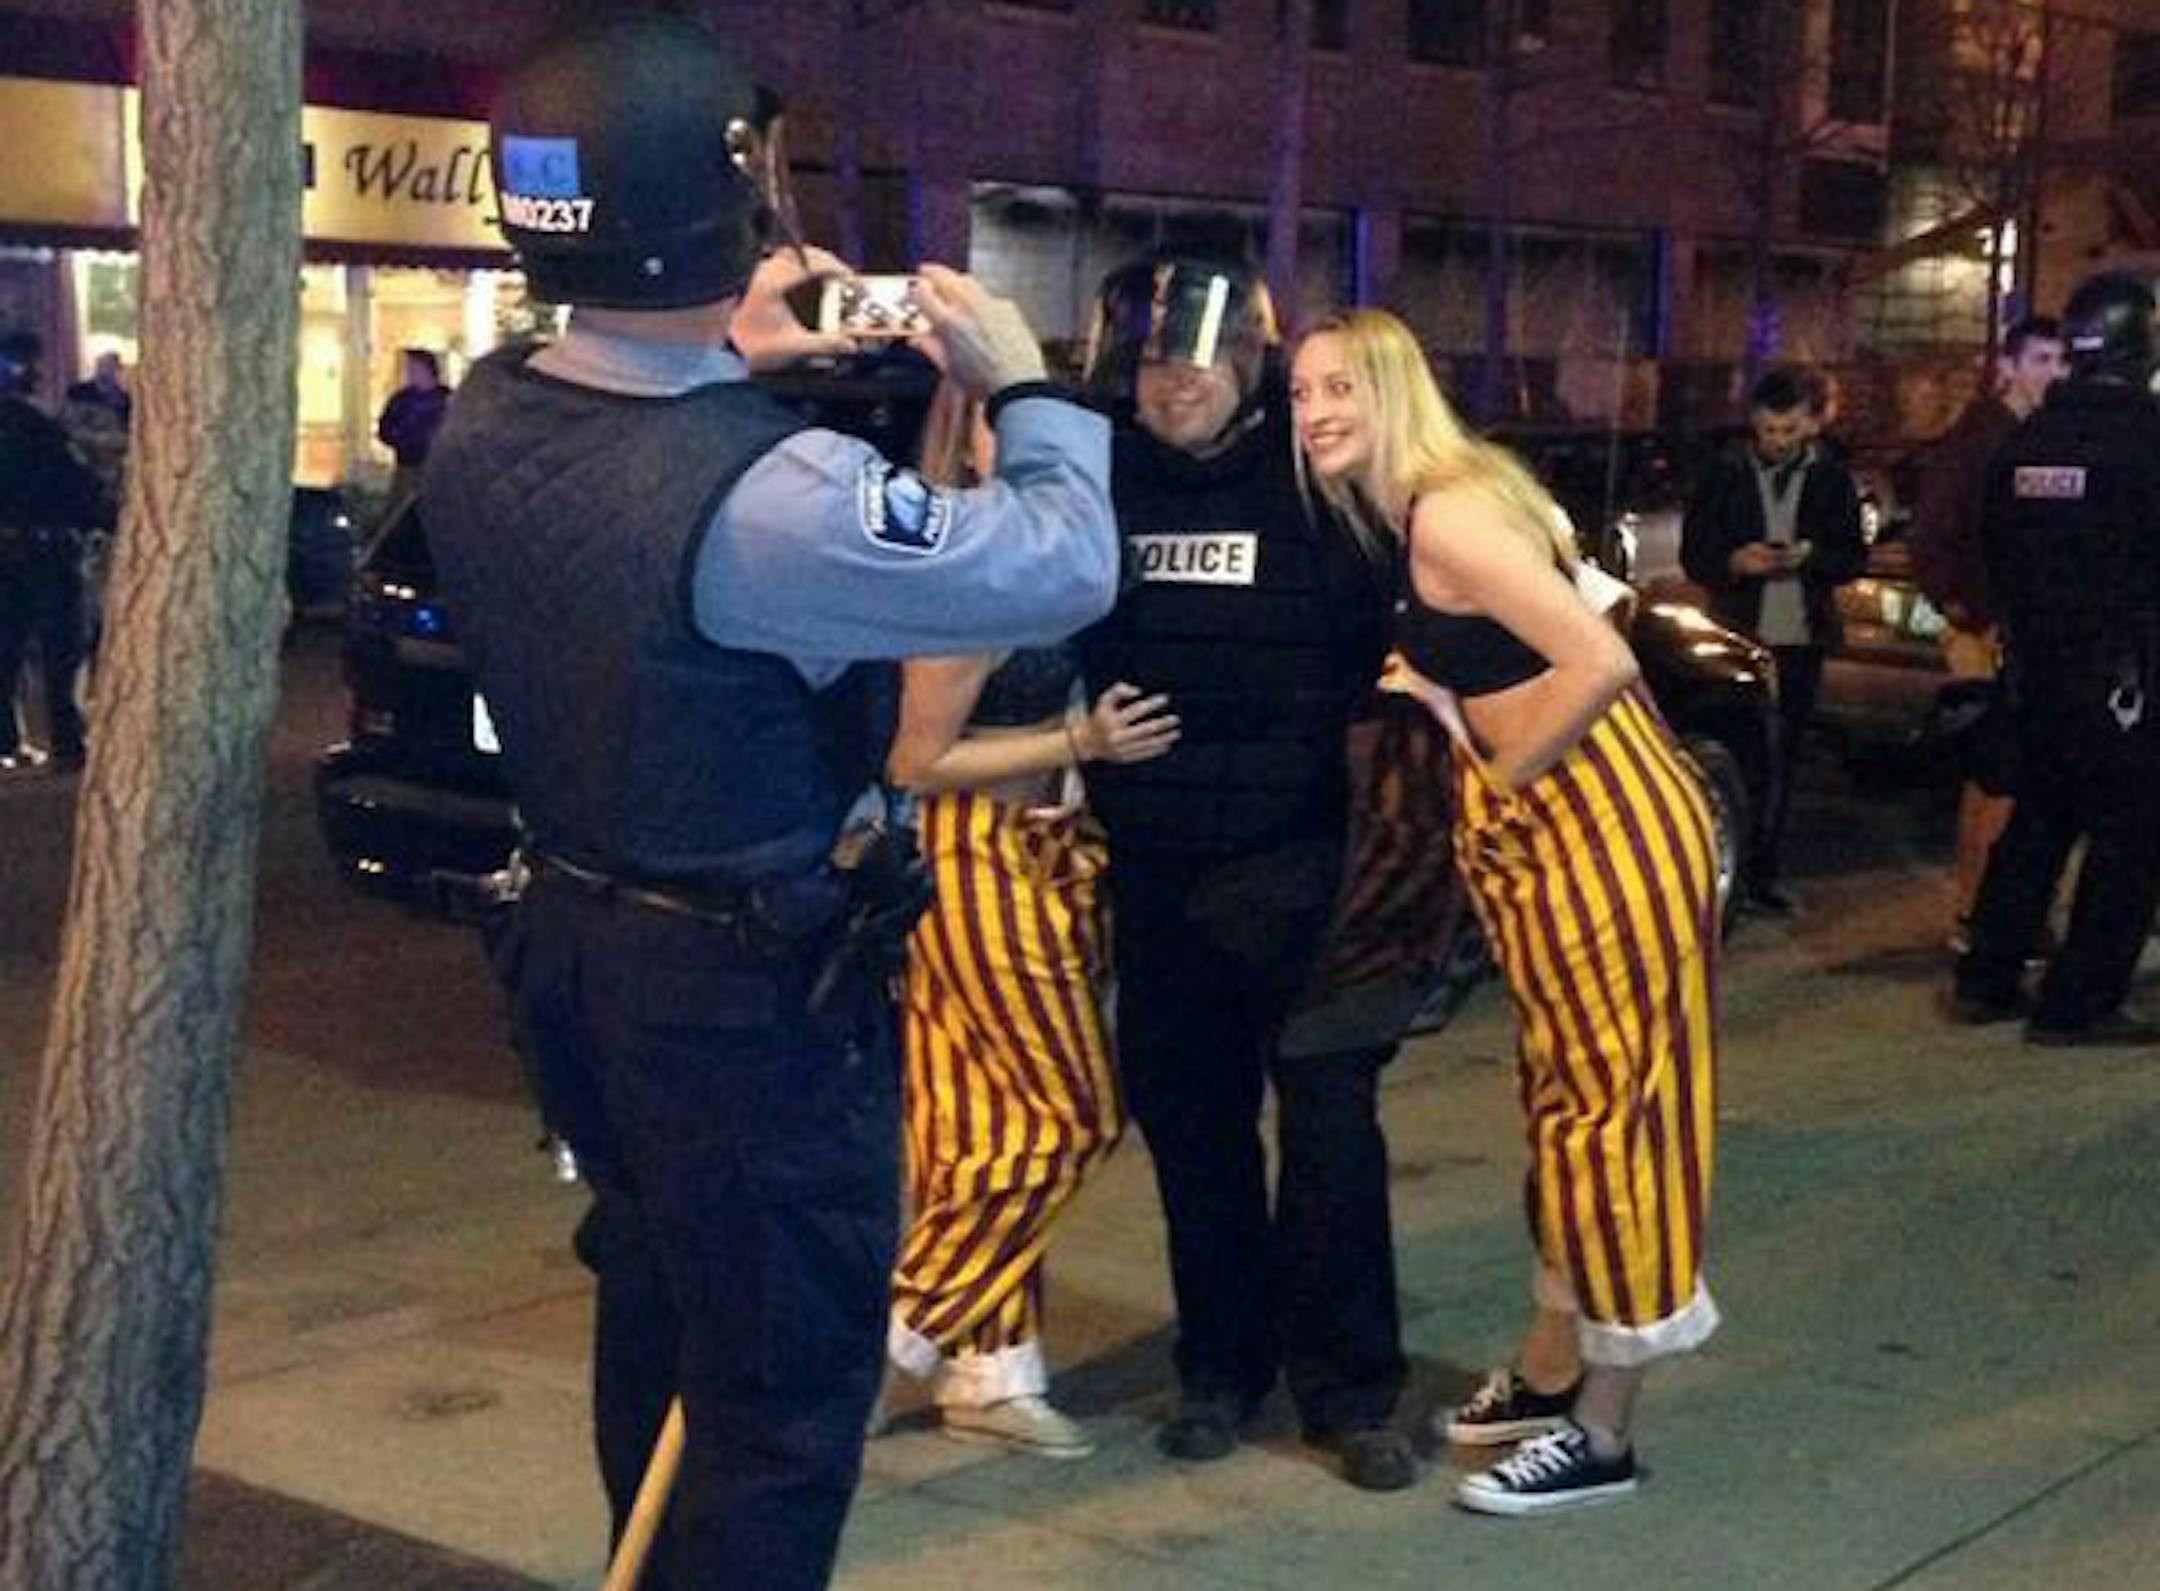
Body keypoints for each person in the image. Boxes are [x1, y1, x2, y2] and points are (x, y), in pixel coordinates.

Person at [420, 12, 1119, 1589]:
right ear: (724, 206)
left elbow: (629, 415)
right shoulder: (771, 493)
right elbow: (1066, 561)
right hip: (741, 1002)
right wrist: (1024, 386)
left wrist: (739, 353)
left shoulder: (489, 403)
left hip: (585, 951)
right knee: (782, 1397)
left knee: (663, 1312)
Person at [1291, 308, 1720, 1515]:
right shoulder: (1450, 495)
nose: (1317, 411)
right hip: (1562, 848)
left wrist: (1477, 732)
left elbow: (1602, 661)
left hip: (1604, 839)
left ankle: (1604, 1432)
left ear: (1395, 392)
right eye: (1304, 391)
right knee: (1567, 1107)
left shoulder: (1448, 513)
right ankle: (1548, 1374)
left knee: (1613, 1121)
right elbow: (1586, 602)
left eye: (1342, 388)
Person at [1075, 253, 1410, 1491]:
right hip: (1160, 872)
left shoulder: (1320, 479)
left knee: (1331, 1134)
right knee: (1194, 1133)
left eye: (1205, 360)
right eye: (1160, 360)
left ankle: (1354, 1391)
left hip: (1308, 868)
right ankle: (1221, 1365)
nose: (1179, 385)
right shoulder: (1096, 476)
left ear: (1251, 364)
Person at [882, 383, 1178, 1457]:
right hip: (971, 859)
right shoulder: (972, 566)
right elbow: (913, 760)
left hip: (1046, 855)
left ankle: (993, 1371)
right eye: (1019, 417)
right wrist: (1077, 744)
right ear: (974, 430)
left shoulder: (1046, 552)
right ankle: (898, 1335)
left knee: (977, 1127)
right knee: (1071, 1113)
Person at [1950, 272, 2160, 1047]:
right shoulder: (2147, 440)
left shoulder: (2027, 444)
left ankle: (1988, 975)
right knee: (2129, 839)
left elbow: (1996, 551)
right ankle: (2078, 999)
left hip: (2038, 673)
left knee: (2038, 822)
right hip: (2127, 679)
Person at [1679, 366, 1866, 914]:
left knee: (1783, 756)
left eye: (1788, 432)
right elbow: (1697, 554)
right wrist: (1734, 561)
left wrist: (1810, 557)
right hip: (1738, 640)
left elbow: (1852, 555)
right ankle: (1725, 866)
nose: (1777, 443)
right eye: (1768, 432)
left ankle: (1765, 871)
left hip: (1799, 640)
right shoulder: (1724, 475)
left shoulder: (1831, 479)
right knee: (1738, 757)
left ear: (1809, 424)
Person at [1910, 316, 2066, 950]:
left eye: (2059, 361)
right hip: (1986, 627)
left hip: (2020, 627)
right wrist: (1965, 609)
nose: (2052, 373)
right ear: (2009, 366)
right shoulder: (1981, 442)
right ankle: (1977, 912)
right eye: (2040, 360)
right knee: (1995, 773)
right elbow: (1935, 534)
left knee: (2015, 772)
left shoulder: (2036, 436)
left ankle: (2007, 910)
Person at [0, 330, 106, 774]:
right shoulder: (35, 426)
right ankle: (67, 741)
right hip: (44, 546)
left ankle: (7, 740)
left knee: (6, 651)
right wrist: (107, 513)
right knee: (63, 649)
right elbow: (72, 486)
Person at [375, 348, 451, 497]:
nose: (409, 373)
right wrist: (400, 438)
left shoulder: (446, 399)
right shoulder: (401, 400)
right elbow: (385, 429)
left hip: (437, 469)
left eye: (413, 368)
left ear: (426, 369)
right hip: (407, 466)